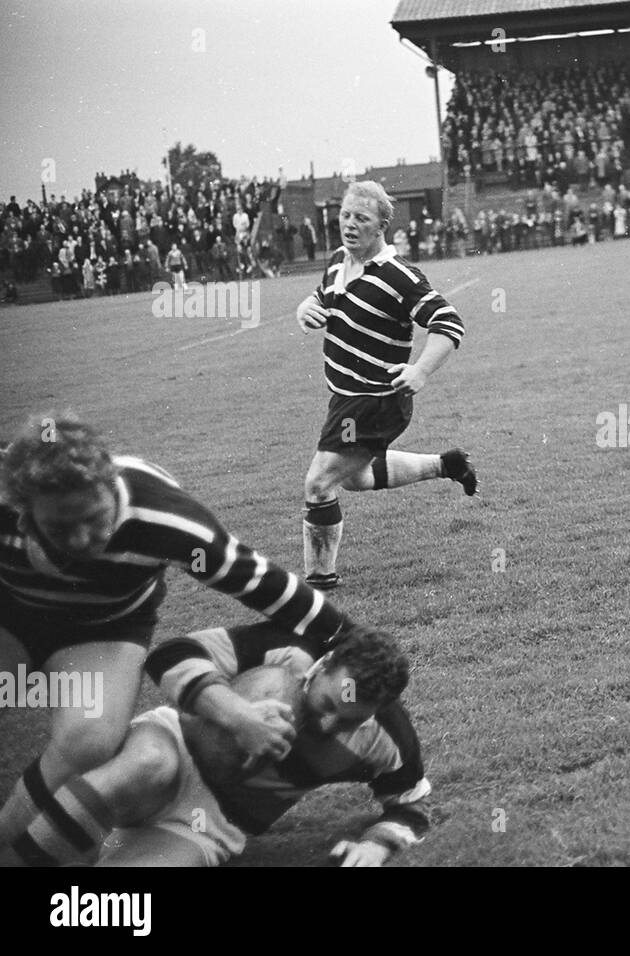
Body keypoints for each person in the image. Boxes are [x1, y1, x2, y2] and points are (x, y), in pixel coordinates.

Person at [0, 415, 348, 852]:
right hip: (11, 613)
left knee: (88, 742)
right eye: (59, 529)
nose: (84, 538)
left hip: (102, 627)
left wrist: (349, 639)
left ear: (111, 483)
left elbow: (263, 583)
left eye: (94, 517)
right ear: (22, 512)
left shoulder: (163, 516)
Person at [1, 619, 430, 867]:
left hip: (214, 821)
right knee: (146, 764)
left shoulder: (387, 739)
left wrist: (378, 843)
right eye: (326, 704)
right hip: (175, 746)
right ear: (322, 666)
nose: (328, 721)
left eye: (346, 720)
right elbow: (171, 654)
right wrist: (240, 717)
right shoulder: (286, 647)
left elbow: (410, 805)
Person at [294, 181, 476, 591]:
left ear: (382, 227)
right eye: (345, 216)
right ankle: (445, 464)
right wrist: (306, 309)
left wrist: (422, 371)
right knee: (354, 478)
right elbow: (320, 300)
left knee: (319, 483)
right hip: (344, 399)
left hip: (376, 401)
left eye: (362, 218)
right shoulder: (340, 261)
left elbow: (449, 323)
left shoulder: (399, 276)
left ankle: (319, 585)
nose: (350, 225)